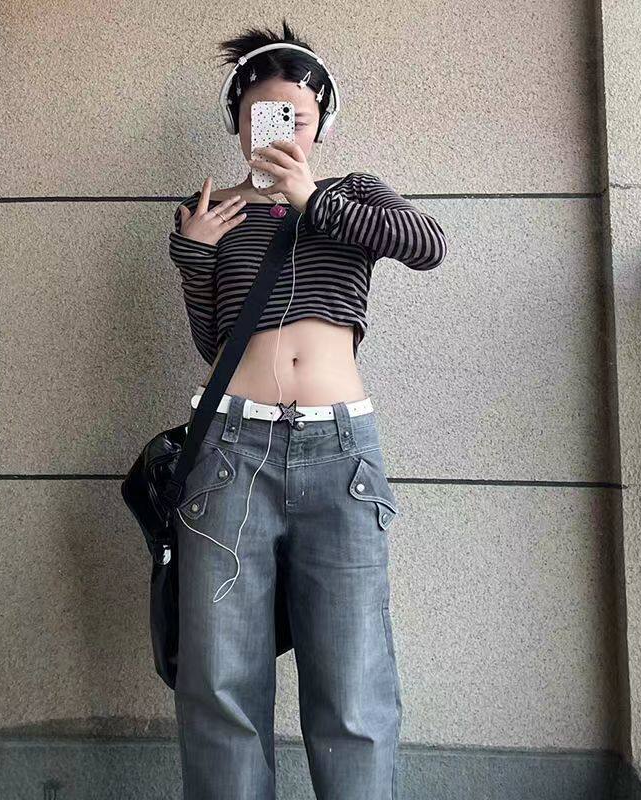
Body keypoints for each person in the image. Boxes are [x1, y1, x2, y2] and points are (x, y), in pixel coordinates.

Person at [167, 19, 447, 800]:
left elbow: (427, 245)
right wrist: (194, 252)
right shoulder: (212, 209)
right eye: (264, 112)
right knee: (220, 682)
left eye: (297, 113)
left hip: (340, 455)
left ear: (321, 121)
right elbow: (214, 341)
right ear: (238, 119)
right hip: (231, 452)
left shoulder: (352, 194)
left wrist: (311, 200)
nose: (282, 126)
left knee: (353, 684)